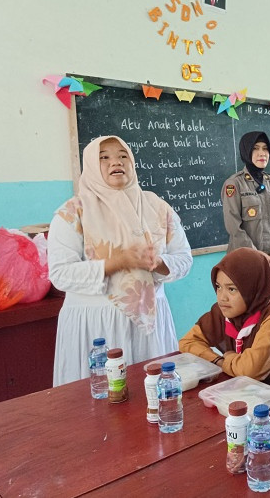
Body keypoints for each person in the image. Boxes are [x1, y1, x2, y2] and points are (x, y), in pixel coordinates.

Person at [48, 135, 193, 386]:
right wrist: (115, 263)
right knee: (99, 405)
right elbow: (60, 273)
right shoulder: (73, 211)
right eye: (104, 157)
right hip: (95, 327)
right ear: (92, 166)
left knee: (152, 396)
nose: (116, 161)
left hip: (151, 323)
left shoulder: (157, 206)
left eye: (122, 155)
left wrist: (158, 263)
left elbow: (184, 258)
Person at [179, 247, 270, 396]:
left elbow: (250, 371)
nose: (222, 297)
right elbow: (187, 342)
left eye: (232, 289)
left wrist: (227, 360)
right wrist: (219, 360)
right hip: (242, 392)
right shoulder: (225, 311)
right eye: (218, 287)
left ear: (253, 288)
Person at [221, 131, 270, 265]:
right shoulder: (234, 184)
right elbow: (233, 225)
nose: (262, 153)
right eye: (255, 148)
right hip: (244, 259)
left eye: (265, 149)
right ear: (246, 151)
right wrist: (255, 253)